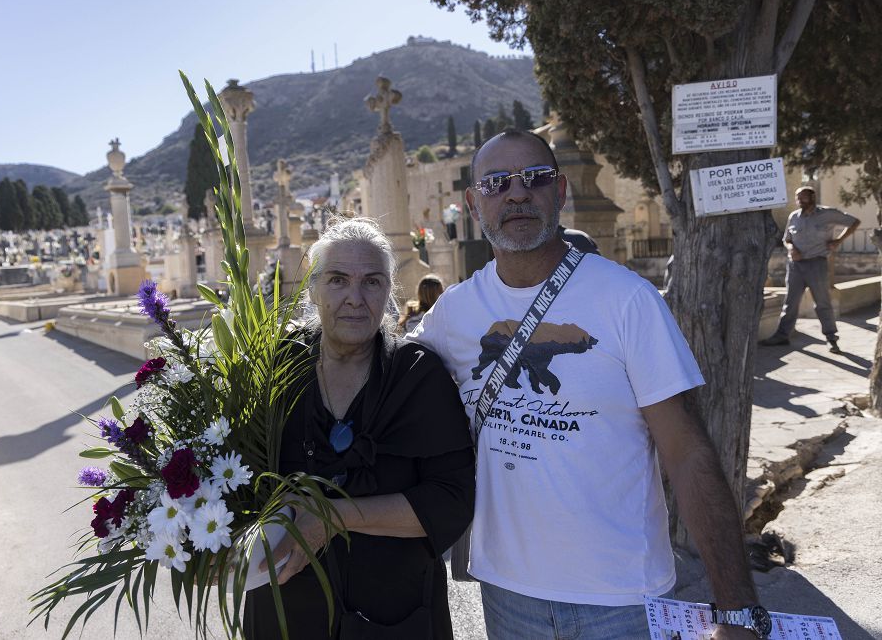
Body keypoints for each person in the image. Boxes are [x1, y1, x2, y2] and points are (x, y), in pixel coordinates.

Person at [409, 129, 770, 639]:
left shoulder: (628, 301)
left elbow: (687, 453)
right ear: (473, 203)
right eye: (496, 183)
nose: (516, 193)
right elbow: (387, 374)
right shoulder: (453, 313)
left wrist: (736, 609)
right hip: (507, 595)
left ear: (559, 193)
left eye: (533, 179)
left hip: (623, 600)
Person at [243, 217, 475, 640]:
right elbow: (232, 474)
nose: (355, 297)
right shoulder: (275, 369)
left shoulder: (419, 377)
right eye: (337, 280)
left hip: (393, 615)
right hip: (285, 612)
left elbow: (453, 500)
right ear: (313, 289)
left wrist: (333, 517)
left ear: (388, 291)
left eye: (371, 282)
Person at [760, 186, 860, 353]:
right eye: (797, 198)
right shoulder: (794, 217)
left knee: (822, 303)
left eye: (803, 197)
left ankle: (831, 338)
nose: (799, 201)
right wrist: (792, 248)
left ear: (812, 198)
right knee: (790, 303)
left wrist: (838, 240)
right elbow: (787, 239)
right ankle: (782, 336)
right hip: (795, 266)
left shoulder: (827, 214)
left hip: (817, 264)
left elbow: (854, 222)